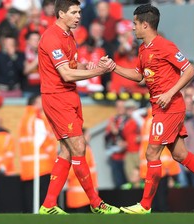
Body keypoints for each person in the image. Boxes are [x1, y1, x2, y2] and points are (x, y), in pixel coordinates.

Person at [100, 4, 194, 214]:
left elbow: (189, 71)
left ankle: (144, 205)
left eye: (135, 24)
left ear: (145, 24)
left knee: (152, 153)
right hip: (160, 107)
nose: (132, 28)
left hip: (170, 107)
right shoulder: (143, 49)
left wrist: (170, 93)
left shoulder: (164, 46)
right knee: (180, 155)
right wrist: (114, 67)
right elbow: (139, 76)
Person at [38, 0, 119, 215]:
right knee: (79, 146)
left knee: (67, 149)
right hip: (57, 97)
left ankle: (48, 205)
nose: (78, 16)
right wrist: (99, 73)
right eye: (74, 12)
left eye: (80, 12)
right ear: (61, 13)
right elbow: (66, 74)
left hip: (69, 96)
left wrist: (93, 66)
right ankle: (96, 203)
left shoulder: (68, 36)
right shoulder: (51, 37)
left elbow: (74, 67)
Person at [18, 94, 57, 213]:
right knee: (43, 203)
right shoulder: (36, 118)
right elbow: (44, 140)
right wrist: (54, 157)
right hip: (42, 166)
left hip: (29, 168)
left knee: (31, 203)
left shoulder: (25, 118)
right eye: (41, 100)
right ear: (35, 102)